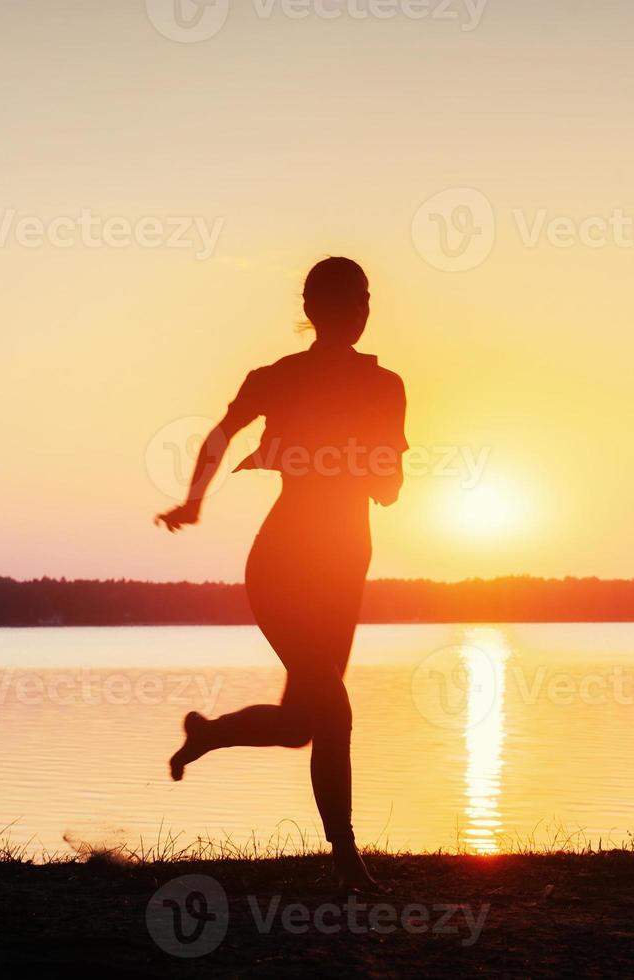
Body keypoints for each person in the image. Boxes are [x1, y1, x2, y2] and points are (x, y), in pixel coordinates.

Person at [156, 257, 406, 892]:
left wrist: (372, 469)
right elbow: (221, 434)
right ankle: (346, 858)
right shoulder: (276, 378)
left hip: (345, 567)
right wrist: (193, 501)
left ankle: (208, 733)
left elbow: (392, 487)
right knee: (336, 706)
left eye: (366, 299)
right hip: (284, 564)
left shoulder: (387, 386)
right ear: (318, 308)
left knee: (304, 724)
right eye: (352, 300)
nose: (361, 310)